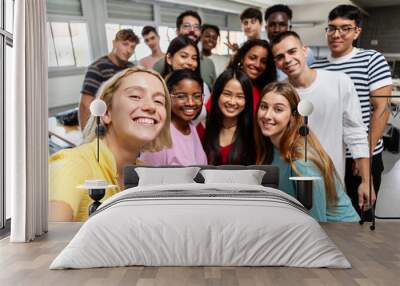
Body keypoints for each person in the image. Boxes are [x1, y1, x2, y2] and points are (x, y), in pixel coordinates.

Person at [49, 67, 172, 222]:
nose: (151, 106)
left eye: (159, 101)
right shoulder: (73, 164)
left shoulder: (145, 174)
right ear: (106, 112)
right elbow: (46, 240)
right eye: (135, 96)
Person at [270, 31, 374, 210]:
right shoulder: (280, 95)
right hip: (295, 185)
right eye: (280, 57)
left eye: (292, 51)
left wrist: (366, 180)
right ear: (276, 63)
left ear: (304, 51)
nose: (287, 59)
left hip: (333, 183)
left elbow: (355, 132)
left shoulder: (339, 82)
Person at [311, 4, 392, 218]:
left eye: (345, 28)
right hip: (328, 157)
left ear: (357, 32)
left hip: (362, 155)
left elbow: (381, 109)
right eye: (332, 28)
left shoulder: (371, 59)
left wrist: (362, 154)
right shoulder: (317, 67)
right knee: (329, 214)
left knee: (360, 216)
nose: (336, 34)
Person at [254, 81, 360, 222]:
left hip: (341, 234)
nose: (267, 115)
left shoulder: (302, 164)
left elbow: (316, 223)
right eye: (264, 106)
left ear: (293, 116)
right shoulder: (270, 147)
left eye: (278, 109)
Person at [141, 69, 207, 165]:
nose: (190, 102)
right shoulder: (158, 137)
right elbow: (147, 178)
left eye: (196, 96)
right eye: (181, 96)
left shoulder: (191, 126)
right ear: (167, 96)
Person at [79, 29, 139, 129]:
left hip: (126, 121)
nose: (129, 50)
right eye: (125, 44)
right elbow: (85, 105)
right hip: (105, 124)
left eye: (132, 47)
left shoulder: (132, 68)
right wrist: (87, 136)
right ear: (114, 43)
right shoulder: (97, 67)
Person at [203, 68, 255, 165]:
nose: (232, 102)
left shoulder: (255, 133)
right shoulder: (204, 128)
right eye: (227, 94)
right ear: (217, 95)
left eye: (240, 96)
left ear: (247, 101)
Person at [153, 10, 216, 90]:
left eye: (196, 27)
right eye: (186, 26)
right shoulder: (160, 64)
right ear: (177, 31)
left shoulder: (209, 64)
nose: (192, 30)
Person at [161, 35, 210, 125]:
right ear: (169, 58)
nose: (190, 63)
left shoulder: (202, 86)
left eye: (194, 58)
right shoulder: (158, 86)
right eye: (184, 56)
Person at [264, 4, 314, 80]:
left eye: (282, 24)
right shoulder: (262, 57)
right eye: (272, 25)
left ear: (289, 28)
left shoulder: (306, 54)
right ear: (266, 28)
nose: (277, 29)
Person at [227, 39, 276, 112]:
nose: (257, 64)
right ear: (242, 58)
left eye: (263, 61)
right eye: (252, 58)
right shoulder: (227, 83)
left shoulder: (266, 91)